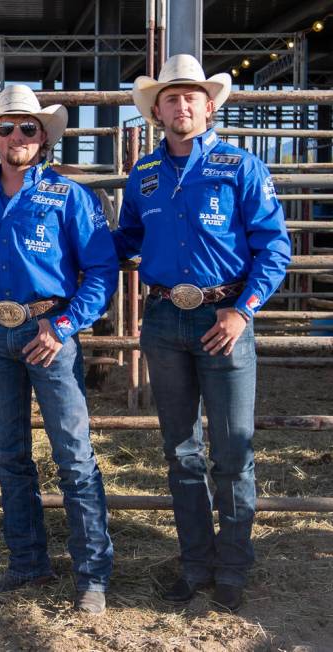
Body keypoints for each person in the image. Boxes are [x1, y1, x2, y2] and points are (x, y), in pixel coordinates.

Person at [114, 54, 291, 611]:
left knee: (233, 452)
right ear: (157, 110)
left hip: (225, 316)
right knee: (181, 449)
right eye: (171, 97)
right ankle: (196, 564)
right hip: (165, 316)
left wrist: (243, 310)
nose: (182, 104)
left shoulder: (240, 167)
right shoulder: (143, 174)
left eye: (192, 95)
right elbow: (125, 239)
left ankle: (234, 566)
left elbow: (274, 246)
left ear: (209, 105)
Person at [0, 84, 118, 615]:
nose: (16, 135)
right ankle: (27, 562)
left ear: (42, 138)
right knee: (9, 455)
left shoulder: (72, 197)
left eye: (27, 127)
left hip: (49, 333)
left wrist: (64, 325)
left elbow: (102, 271)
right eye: (6, 127)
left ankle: (92, 575)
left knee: (73, 454)